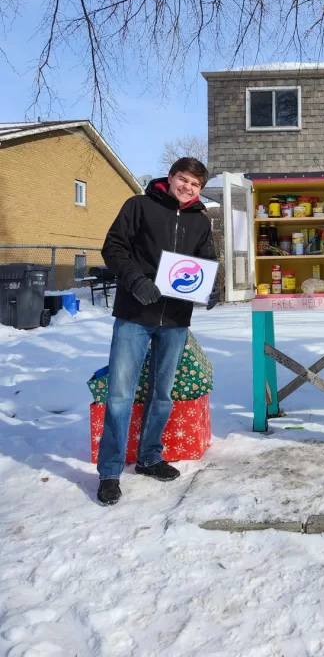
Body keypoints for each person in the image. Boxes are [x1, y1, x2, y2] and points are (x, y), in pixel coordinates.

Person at [96, 157, 219, 505]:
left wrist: (211, 286)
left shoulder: (200, 220)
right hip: (135, 314)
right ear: (170, 177)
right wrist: (135, 280)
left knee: (161, 394)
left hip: (176, 321)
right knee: (120, 394)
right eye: (184, 180)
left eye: (195, 185)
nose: (188, 188)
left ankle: (150, 456)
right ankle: (109, 471)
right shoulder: (139, 205)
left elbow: (206, 261)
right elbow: (114, 247)